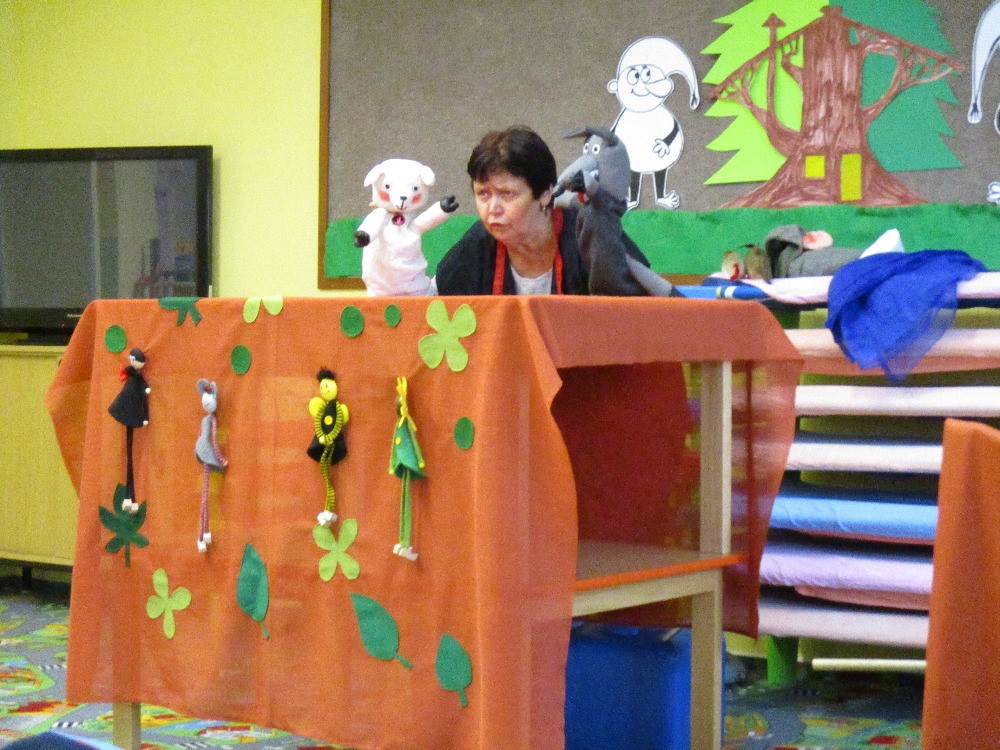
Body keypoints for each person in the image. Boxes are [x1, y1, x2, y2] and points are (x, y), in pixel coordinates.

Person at [433, 126, 651, 295]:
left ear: (546, 193)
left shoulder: (592, 232)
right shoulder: (477, 243)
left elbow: (640, 310)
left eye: (507, 194)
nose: (492, 209)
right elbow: (432, 302)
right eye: (483, 194)